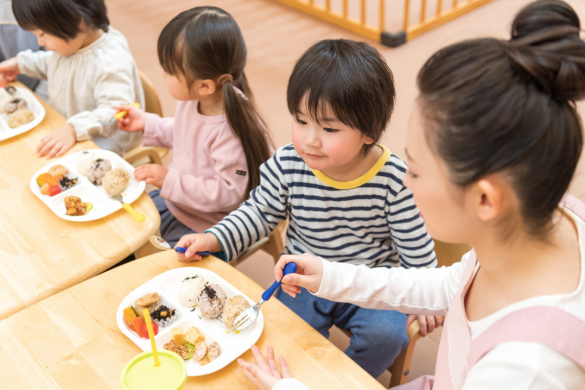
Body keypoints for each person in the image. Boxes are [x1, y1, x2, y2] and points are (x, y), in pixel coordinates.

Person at [243, 0, 585, 389]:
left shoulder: (526, 371)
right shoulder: (542, 219)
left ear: (485, 199)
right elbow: (452, 284)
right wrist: (331, 276)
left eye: (417, 170)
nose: (405, 182)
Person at [177, 39, 439, 378]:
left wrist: (428, 294)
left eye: (329, 128)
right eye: (301, 121)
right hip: (301, 277)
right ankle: (303, 380)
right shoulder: (289, 162)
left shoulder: (394, 180)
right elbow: (259, 212)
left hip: (370, 283)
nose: (310, 139)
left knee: (387, 337)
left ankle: (346, 382)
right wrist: (214, 238)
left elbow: (415, 245)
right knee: (284, 332)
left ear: (369, 133)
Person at [116, 6, 273, 247]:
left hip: (208, 223)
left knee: (146, 258)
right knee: (121, 230)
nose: (163, 74)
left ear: (205, 86)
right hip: (178, 200)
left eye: (169, 71)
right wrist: (147, 122)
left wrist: (169, 180)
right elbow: (185, 134)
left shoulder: (230, 131)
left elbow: (228, 193)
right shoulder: (196, 101)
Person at [0, 0, 143, 157]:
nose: (40, 42)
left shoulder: (110, 59)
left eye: (41, 34)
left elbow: (115, 112)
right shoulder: (73, 45)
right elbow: (55, 64)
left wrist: (74, 129)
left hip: (100, 144)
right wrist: (20, 64)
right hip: (66, 127)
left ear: (76, 21)